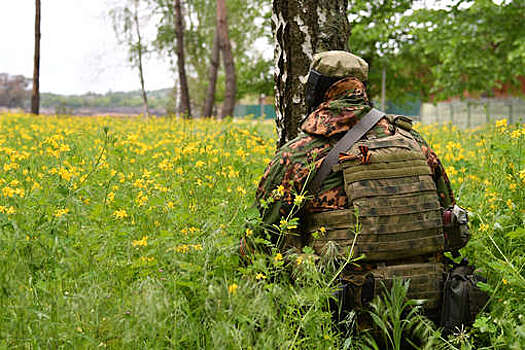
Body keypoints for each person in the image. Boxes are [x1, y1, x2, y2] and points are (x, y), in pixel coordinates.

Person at [241, 51, 469, 324]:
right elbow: (449, 218)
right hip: (428, 314)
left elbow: (261, 241)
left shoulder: (299, 154)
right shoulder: (413, 143)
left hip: (344, 320)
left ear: (318, 89)